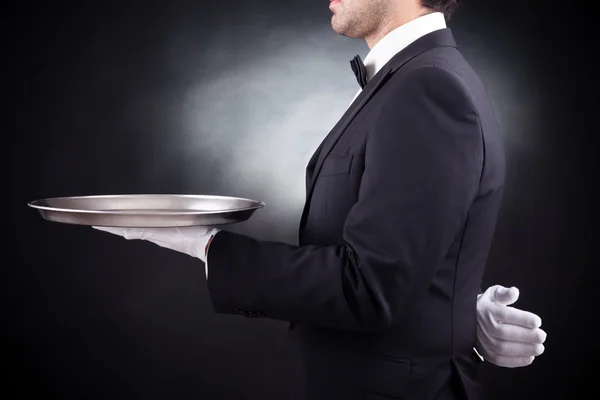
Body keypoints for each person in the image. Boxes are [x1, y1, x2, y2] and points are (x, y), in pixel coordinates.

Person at [95, 0, 547, 398]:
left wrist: (204, 243)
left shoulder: (428, 87)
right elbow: (406, 263)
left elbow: (371, 288)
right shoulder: (417, 77)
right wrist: (460, 311)